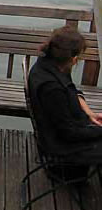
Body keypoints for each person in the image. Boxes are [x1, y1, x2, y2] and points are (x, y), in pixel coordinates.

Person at [28, 26, 102, 173]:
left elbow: (72, 90)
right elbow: (68, 134)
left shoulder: (49, 64)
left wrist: (90, 114)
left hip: (65, 130)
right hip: (62, 146)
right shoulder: (52, 88)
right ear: (73, 59)